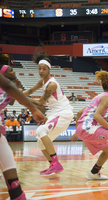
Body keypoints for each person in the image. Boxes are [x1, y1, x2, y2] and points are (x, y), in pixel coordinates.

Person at [23, 51, 73, 175]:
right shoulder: (43, 81)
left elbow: (40, 102)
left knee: (41, 131)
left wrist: (22, 98)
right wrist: (16, 94)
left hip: (63, 113)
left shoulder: (51, 84)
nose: (41, 71)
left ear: (49, 70)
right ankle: (53, 164)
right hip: (57, 113)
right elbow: (30, 90)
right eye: (39, 68)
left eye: (44, 69)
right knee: (40, 143)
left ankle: (56, 164)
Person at [0, 71, 47, 200]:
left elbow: (11, 100)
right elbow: (9, 88)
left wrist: (16, 89)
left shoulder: (11, 86)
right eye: (9, 69)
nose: (13, 70)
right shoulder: (8, 85)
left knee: (14, 183)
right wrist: (33, 108)